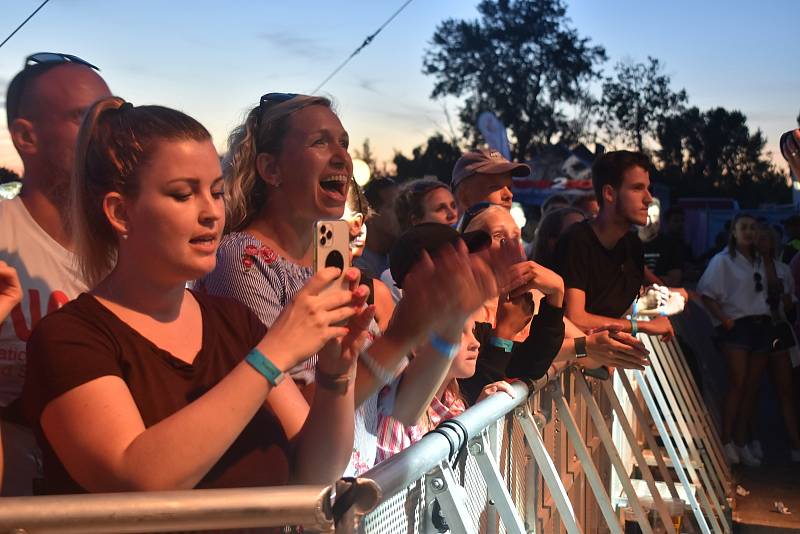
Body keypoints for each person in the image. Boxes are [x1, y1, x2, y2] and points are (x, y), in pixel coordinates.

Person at [21, 98, 373, 495]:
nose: (211, 213)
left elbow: (314, 472)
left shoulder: (233, 321)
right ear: (120, 213)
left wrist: (336, 374)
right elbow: (135, 480)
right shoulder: (69, 338)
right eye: (183, 194)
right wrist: (274, 354)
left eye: (217, 192)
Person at [199, 93, 502, 477]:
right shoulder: (242, 261)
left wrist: (445, 326)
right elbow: (304, 424)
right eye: (320, 142)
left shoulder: (331, 259)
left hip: (366, 502)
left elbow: (402, 409)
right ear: (270, 168)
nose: (342, 156)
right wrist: (403, 332)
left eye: (342, 142)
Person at [1, 52, 111, 495]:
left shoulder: (140, 245)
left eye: (113, 118)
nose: (106, 137)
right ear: (26, 136)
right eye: (84, 119)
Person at [460, 204, 649, 403]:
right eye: (499, 236)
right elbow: (480, 387)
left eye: (517, 236)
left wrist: (557, 294)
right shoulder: (463, 309)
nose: (513, 245)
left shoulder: (529, 297)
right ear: (469, 247)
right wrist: (583, 346)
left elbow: (584, 357)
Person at [553, 150, 674, 339]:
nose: (649, 198)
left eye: (648, 188)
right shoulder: (577, 240)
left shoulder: (632, 245)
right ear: (609, 193)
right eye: (637, 188)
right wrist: (642, 326)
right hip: (567, 360)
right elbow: (575, 318)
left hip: (600, 358)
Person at [375, 315, 514, 462]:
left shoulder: (453, 401)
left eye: (472, 331)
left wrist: (477, 416)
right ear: (418, 346)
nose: (476, 343)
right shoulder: (396, 415)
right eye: (459, 332)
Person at [697, 214, 774, 466]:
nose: (749, 232)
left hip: (761, 324)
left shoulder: (759, 260)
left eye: (753, 228)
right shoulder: (723, 261)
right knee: (737, 384)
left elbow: (771, 288)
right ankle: (727, 439)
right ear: (733, 231)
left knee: (752, 388)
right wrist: (724, 319)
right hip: (737, 326)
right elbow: (706, 293)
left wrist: (767, 259)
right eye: (744, 228)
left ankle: (741, 441)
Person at [381, 179, 459, 301]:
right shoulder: (394, 279)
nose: (452, 214)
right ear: (416, 221)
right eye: (440, 208)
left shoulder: (469, 262)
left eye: (453, 206)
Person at [451, 148, 529, 214]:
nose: (509, 195)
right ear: (464, 198)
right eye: (496, 187)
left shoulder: (516, 231)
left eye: (509, 188)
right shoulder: (442, 232)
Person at [355, 178, 399, 279]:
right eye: (393, 206)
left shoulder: (396, 258)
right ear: (372, 214)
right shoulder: (355, 266)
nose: (400, 213)